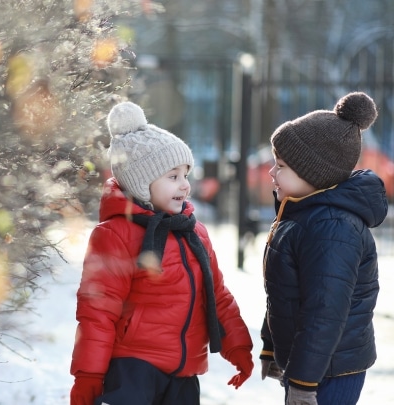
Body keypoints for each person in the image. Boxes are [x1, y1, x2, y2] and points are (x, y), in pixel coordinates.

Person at [70, 101, 254, 405]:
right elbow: (97, 311)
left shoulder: (195, 233)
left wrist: (238, 348)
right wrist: (88, 375)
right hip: (133, 368)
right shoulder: (116, 235)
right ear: (142, 184)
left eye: (186, 175)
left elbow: (217, 295)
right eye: (173, 177)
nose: (185, 186)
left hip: (184, 374)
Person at [259, 92, 388, 405]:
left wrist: (304, 381)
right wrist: (272, 347)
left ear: (312, 173)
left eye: (281, 165)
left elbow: (325, 313)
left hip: (331, 369)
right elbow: (286, 292)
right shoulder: (302, 214)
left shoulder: (331, 227)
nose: (271, 173)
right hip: (314, 364)